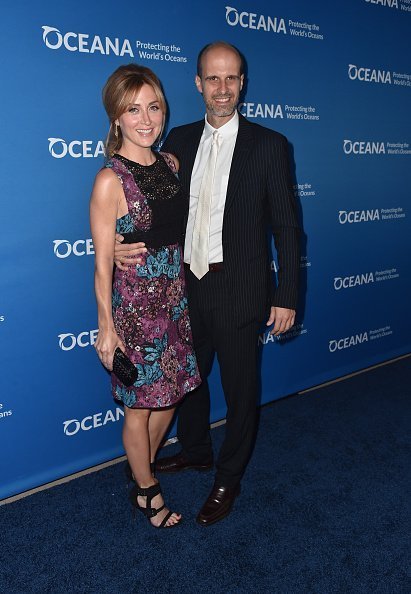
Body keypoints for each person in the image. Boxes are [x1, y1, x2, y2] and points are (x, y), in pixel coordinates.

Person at [114, 42, 300, 526]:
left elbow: (287, 226)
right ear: (198, 84)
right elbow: (146, 206)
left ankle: (227, 477)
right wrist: (117, 245)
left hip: (240, 289)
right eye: (212, 79)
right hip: (184, 289)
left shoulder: (270, 145)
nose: (222, 89)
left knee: (240, 392)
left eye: (231, 79)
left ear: (243, 84)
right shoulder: (177, 140)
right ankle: (195, 450)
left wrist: (286, 295)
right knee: (188, 384)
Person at [90, 64, 201, 529]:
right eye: (133, 109)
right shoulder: (109, 181)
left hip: (174, 301)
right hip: (136, 312)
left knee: (170, 397)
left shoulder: (171, 164)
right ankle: (148, 493)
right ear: (116, 116)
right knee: (139, 408)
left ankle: (141, 472)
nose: (146, 118)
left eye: (153, 106)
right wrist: (106, 331)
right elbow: (100, 265)